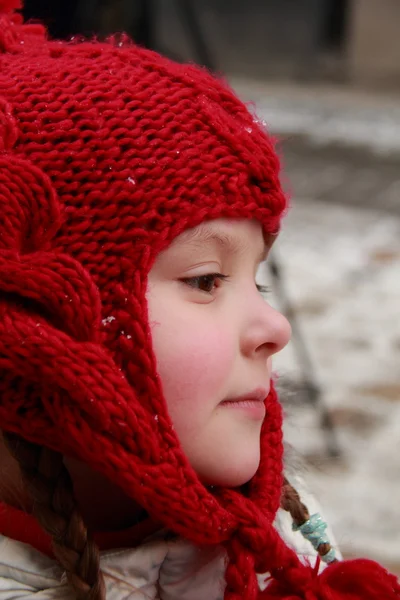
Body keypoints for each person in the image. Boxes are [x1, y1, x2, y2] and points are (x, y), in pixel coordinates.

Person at [0, 1, 398, 598]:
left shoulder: (279, 543)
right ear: (37, 322)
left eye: (257, 281)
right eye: (208, 280)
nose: (275, 326)